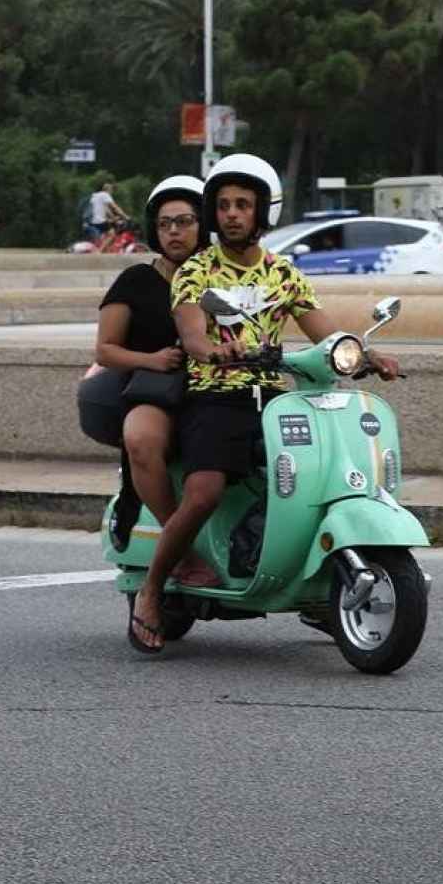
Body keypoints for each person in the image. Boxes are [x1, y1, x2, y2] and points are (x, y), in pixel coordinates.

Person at [127, 153, 402, 654]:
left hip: (273, 400)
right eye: (225, 205)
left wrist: (365, 352)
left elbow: (324, 333)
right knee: (206, 490)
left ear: (261, 214)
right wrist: (215, 349)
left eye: (244, 205)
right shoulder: (196, 272)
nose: (233, 214)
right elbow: (192, 335)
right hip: (213, 397)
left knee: (319, 475)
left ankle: (312, 576)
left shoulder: (284, 274)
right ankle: (152, 589)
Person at [86, 176, 210, 573]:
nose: (174, 231)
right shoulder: (136, 281)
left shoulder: (223, 276)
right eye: (164, 223)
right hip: (158, 391)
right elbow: (105, 351)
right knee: (140, 439)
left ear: (203, 223)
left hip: (218, 390)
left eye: (185, 221)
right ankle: (182, 553)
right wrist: (151, 360)